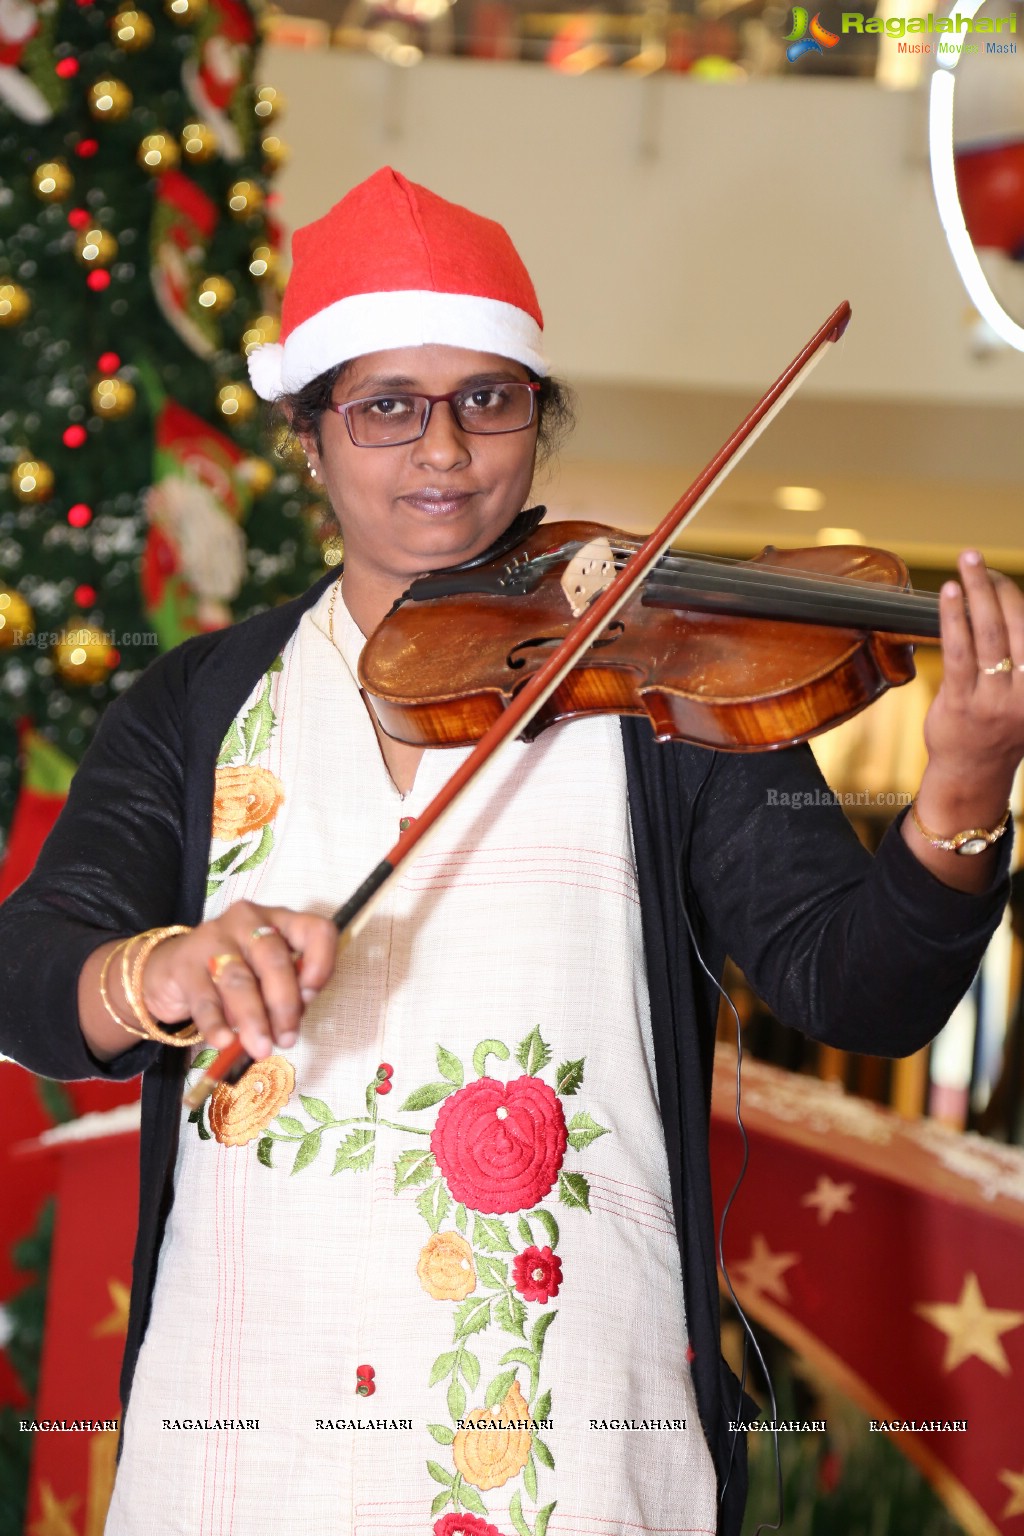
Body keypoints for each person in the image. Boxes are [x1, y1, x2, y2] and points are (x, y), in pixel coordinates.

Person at [0, 167, 1021, 1536]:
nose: (445, 450)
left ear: (536, 419)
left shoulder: (663, 675)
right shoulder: (196, 702)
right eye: (387, 408)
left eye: (490, 399)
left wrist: (961, 789)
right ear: (308, 438)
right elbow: (31, 966)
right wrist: (168, 969)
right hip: (247, 1424)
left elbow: (859, 988)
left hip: (571, 1435)